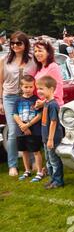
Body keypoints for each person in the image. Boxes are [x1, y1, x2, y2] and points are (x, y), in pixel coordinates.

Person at [0, 31, 38, 176]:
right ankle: (12, 165)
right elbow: (0, 82)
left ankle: (34, 162)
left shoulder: (32, 60)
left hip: (27, 98)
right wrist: (1, 102)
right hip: (9, 98)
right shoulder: (5, 60)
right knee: (13, 131)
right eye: (13, 43)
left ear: (25, 44)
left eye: (18, 43)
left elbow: (38, 77)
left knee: (30, 128)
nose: (15, 46)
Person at [14, 75, 43, 182]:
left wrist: (28, 125)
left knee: (35, 151)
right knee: (24, 151)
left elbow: (39, 115)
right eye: (26, 87)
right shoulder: (18, 100)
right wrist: (22, 125)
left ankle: (40, 172)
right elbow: (15, 114)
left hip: (34, 130)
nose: (28, 89)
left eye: (31, 87)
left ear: (34, 87)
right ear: (21, 87)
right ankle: (27, 170)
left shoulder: (37, 100)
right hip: (21, 130)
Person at [37, 76, 64, 189]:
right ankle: (52, 179)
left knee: (54, 160)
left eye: (41, 88)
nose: (39, 91)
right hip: (46, 138)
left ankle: (58, 181)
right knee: (48, 161)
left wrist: (50, 139)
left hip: (52, 138)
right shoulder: (46, 103)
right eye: (38, 88)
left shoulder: (53, 105)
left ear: (51, 89)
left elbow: (53, 123)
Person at [33, 39, 64, 107]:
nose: (37, 53)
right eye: (35, 51)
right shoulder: (40, 67)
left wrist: (44, 102)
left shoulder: (53, 66)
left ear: (48, 52)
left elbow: (57, 88)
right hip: (42, 105)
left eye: (40, 51)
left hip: (52, 105)